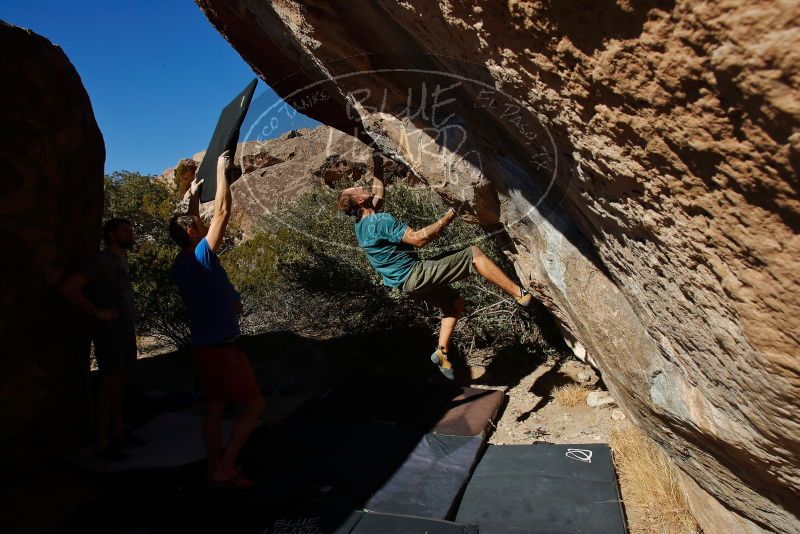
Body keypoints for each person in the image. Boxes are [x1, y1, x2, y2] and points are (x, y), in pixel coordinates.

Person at [337, 174, 532, 380]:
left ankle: (442, 352)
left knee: (454, 304)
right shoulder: (379, 220)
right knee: (474, 254)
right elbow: (420, 240)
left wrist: (376, 163)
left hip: (405, 285)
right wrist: (451, 214)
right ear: (360, 200)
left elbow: (377, 193)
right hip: (415, 273)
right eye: (357, 188)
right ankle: (519, 294)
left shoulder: (361, 226)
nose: (360, 185)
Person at [169, 150, 264, 488]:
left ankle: (214, 469)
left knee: (214, 408)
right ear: (194, 233)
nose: (202, 224)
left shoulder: (182, 263)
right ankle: (226, 468)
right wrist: (223, 173)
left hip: (202, 349)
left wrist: (192, 198)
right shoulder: (202, 255)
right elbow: (223, 211)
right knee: (254, 405)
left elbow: (190, 226)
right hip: (223, 350)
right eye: (197, 224)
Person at [61, 218, 138, 461]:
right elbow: (69, 287)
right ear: (111, 234)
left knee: (121, 380)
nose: (131, 234)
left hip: (126, 329)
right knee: (109, 384)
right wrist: (97, 312)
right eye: (126, 230)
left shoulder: (121, 261)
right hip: (110, 332)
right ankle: (101, 444)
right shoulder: (99, 261)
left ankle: (117, 433)